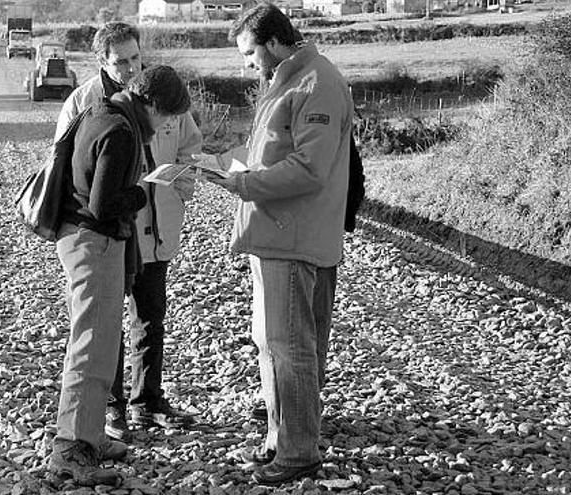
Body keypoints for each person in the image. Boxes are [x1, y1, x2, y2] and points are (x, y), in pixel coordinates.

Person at [204, 3, 354, 486]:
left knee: (291, 348)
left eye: (249, 53)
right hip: (276, 233)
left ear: (272, 42)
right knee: (272, 344)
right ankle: (279, 438)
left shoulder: (317, 83)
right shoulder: (286, 80)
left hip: (294, 237)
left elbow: (310, 168)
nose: (246, 64)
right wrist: (223, 162)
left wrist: (246, 185)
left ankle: (299, 451)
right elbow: (272, 150)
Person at [55, 22, 202, 443]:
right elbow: (84, 187)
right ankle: (103, 417)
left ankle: (146, 402)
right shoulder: (92, 108)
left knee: (149, 316)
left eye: (136, 58)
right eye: (121, 61)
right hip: (106, 234)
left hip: (154, 233)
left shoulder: (152, 97)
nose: (131, 67)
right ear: (103, 61)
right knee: (101, 331)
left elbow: (190, 143)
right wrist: (137, 193)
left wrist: (180, 185)